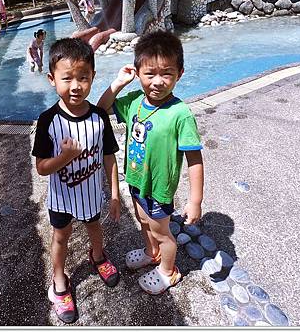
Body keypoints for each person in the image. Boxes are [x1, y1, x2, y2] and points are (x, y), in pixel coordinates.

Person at [97, 31, 205, 296]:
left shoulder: (180, 114)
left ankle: (168, 271)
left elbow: (194, 159)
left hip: (159, 188)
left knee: (162, 232)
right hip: (136, 181)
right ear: (138, 73)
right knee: (142, 220)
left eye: (167, 74)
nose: (158, 82)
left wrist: (195, 200)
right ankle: (151, 252)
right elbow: (101, 109)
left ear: (179, 74)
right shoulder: (134, 101)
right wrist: (119, 83)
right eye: (150, 74)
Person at [32, 38, 121, 324]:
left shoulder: (99, 117)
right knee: (61, 235)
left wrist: (115, 194)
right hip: (62, 197)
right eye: (67, 78)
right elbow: (41, 168)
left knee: (95, 227)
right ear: (52, 79)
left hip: (91, 194)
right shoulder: (48, 120)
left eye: (83, 77)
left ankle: (98, 256)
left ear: (93, 76)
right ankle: (59, 279)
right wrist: (65, 157)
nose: (75, 86)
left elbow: (109, 156)